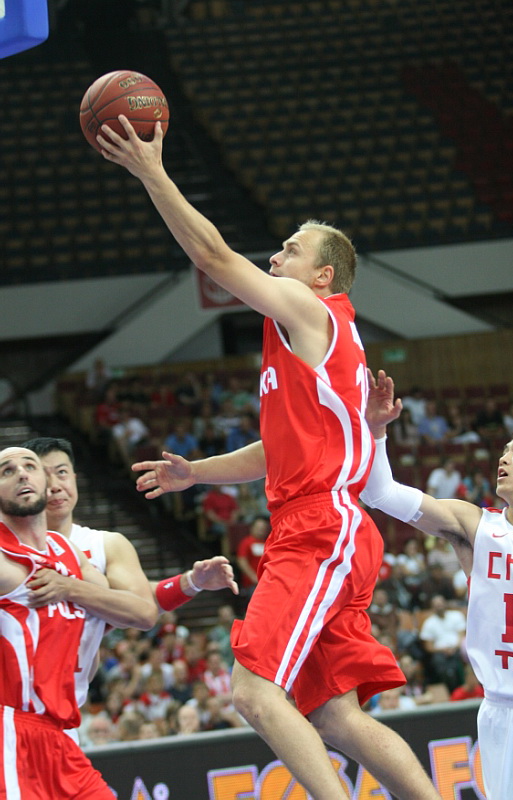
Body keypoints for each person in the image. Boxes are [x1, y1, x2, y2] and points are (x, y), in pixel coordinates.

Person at [99, 116, 441, 800]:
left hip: (320, 527)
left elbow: (213, 257)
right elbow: (275, 449)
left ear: (322, 274)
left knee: (253, 693)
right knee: (334, 716)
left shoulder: (310, 309)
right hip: (329, 525)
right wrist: (196, 473)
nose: (276, 256)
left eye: (290, 249)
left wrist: (152, 173)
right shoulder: (314, 340)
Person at [360, 367, 513, 799]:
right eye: (504, 451)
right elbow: (380, 493)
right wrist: (376, 432)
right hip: (506, 711)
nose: (504, 458)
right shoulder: (476, 526)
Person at [23, 436, 238, 730]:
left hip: (64, 710)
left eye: (62, 472)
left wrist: (192, 581)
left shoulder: (105, 544)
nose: (55, 485)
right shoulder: (11, 547)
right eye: (44, 476)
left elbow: (140, 606)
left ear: (74, 477)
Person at [0, 446, 119, 798]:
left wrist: (188, 584)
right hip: (11, 731)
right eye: (6, 470)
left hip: (60, 734)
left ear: (45, 479)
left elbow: (133, 611)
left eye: (29, 466)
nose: (22, 473)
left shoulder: (65, 550)